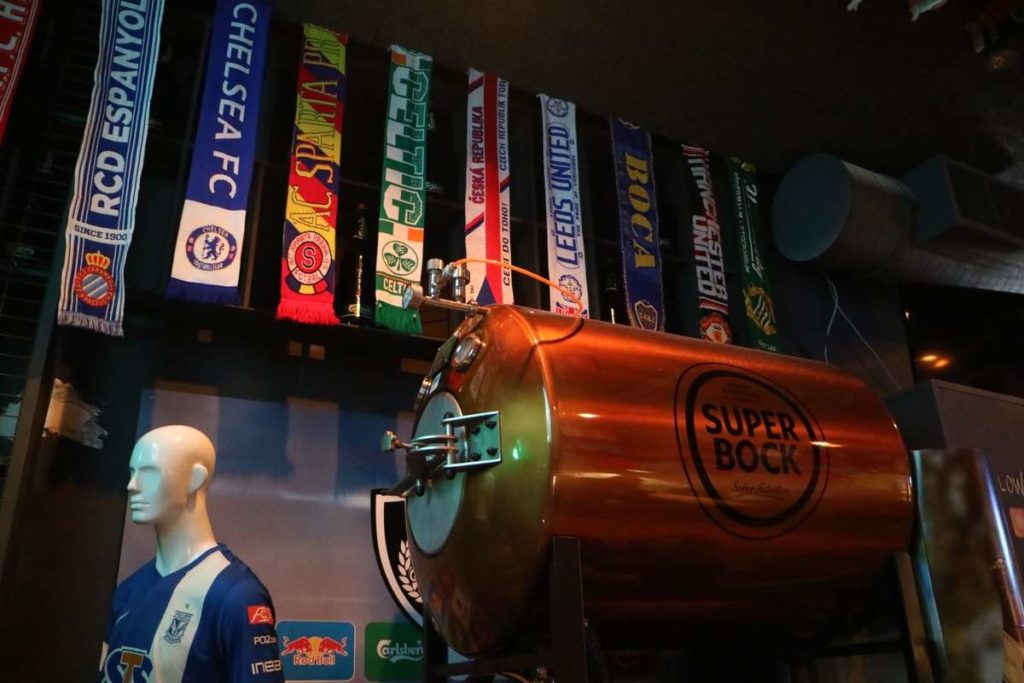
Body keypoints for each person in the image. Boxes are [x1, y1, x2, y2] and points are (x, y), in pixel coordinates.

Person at [99, 425, 284, 683]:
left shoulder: (235, 596)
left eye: (150, 473)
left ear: (195, 479)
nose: (132, 485)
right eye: (132, 472)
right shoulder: (128, 592)